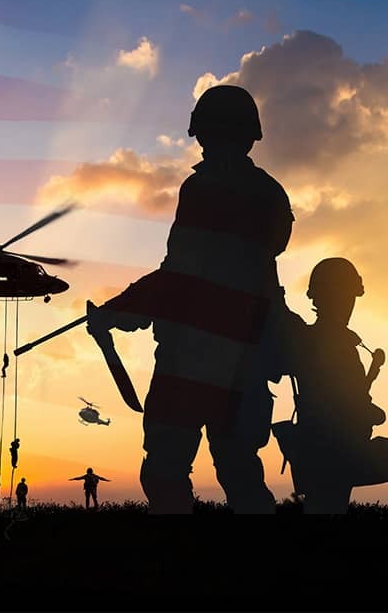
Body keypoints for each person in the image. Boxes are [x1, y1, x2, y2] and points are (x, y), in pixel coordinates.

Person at [87, 84, 298, 514]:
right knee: (240, 472)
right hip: (245, 364)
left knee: (165, 472)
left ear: (203, 133)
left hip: (189, 362)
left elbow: (181, 275)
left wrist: (118, 311)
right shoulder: (270, 193)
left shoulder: (202, 189)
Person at [275, 258, 388, 514]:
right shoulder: (331, 344)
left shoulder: (320, 340)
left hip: (329, 450)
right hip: (335, 451)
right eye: (346, 297)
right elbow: (342, 402)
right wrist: (370, 413)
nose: (349, 305)